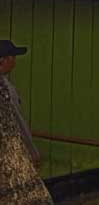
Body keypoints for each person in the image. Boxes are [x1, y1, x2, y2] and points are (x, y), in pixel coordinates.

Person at [0, 40, 53, 205]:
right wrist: (31, 150)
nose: (14, 62)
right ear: (3, 59)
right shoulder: (4, 90)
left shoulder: (6, 85)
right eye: (12, 57)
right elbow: (16, 122)